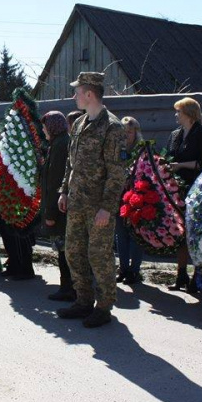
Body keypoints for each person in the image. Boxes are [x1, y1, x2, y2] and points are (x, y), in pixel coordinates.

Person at [57, 72, 128, 327]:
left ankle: (104, 306)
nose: (74, 95)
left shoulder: (112, 127)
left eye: (77, 91)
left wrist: (107, 208)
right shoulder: (79, 124)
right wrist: (64, 191)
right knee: (74, 254)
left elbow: (117, 172)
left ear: (89, 94)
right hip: (76, 202)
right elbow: (70, 162)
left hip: (98, 207)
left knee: (99, 256)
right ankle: (83, 300)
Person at [165, 97, 202, 293]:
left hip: (196, 190)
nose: (176, 115)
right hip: (177, 190)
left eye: (179, 111)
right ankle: (181, 275)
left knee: (195, 234)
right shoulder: (175, 134)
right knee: (180, 234)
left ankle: (198, 277)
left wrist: (181, 165)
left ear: (189, 114)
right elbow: (169, 156)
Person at [41, 111, 74, 300]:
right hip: (60, 206)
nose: (43, 131)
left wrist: (50, 213)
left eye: (45, 127)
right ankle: (68, 286)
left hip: (59, 209)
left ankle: (68, 288)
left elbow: (55, 181)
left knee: (63, 250)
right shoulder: (58, 143)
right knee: (63, 249)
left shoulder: (60, 145)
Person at [115, 116, 145, 285]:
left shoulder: (142, 150)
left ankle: (135, 270)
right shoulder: (116, 148)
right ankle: (123, 268)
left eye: (130, 131)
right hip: (119, 196)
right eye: (124, 131)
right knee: (120, 234)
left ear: (136, 132)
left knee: (135, 235)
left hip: (136, 198)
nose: (127, 135)